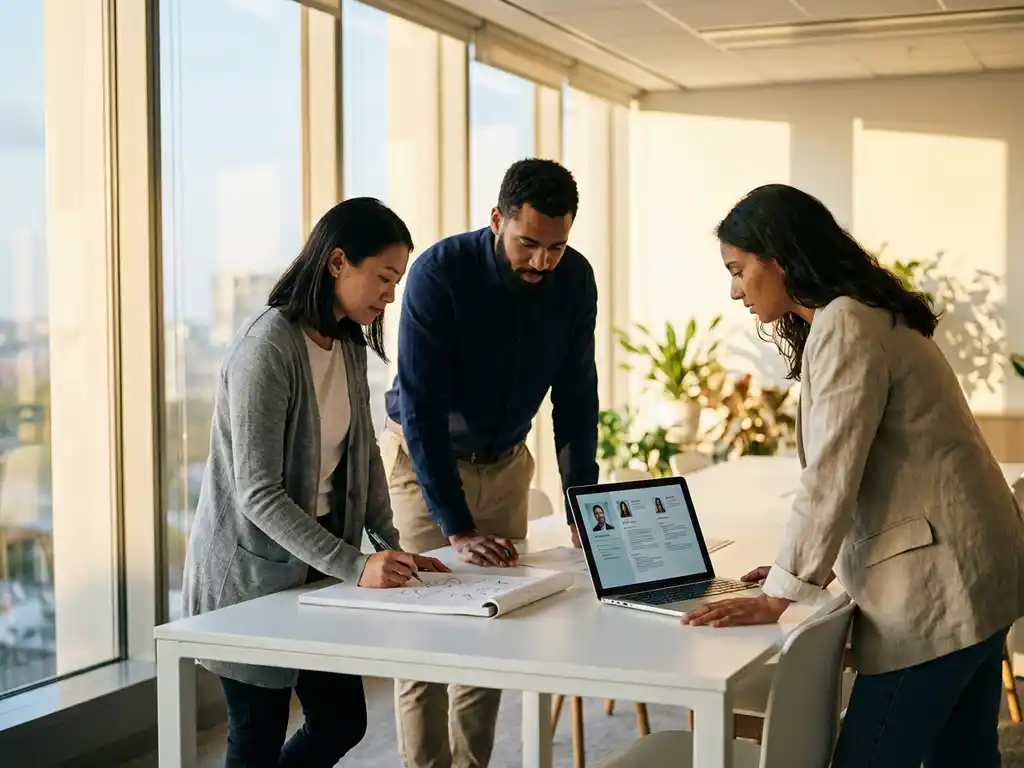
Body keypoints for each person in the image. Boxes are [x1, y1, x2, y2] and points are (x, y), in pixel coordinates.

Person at [683, 183, 1024, 767]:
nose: (734, 290)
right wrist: (802, 571)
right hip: (979, 566)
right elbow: (879, 476)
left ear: (779, 257)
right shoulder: (870, 313)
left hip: (936, 584)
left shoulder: (845, 323)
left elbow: (832, 475)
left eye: (738, 270)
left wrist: (781, 593)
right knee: (963, 754)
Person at [181, 198, 449, 768]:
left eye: (396, 281)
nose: (389, 295)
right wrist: (356, 565)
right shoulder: (267, 347)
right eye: (382, 277)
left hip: (316, 568)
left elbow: (364, 458)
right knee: (255, 738)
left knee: (341, 720)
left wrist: (390, 546)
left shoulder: (350, 343)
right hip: (250, 576)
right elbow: (257, 493)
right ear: (336, 263)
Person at [381, 158, 599, 768]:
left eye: (556, 246)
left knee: (490, 626)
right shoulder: (438, 274)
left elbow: (577, 398)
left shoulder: (574, 280)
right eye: (527, 243)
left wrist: (585, 504)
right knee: (426, 634)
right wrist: (457, 527)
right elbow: (421, 407)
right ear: (497, 219)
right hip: (423, 462)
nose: (541, 262)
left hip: (505, 462)